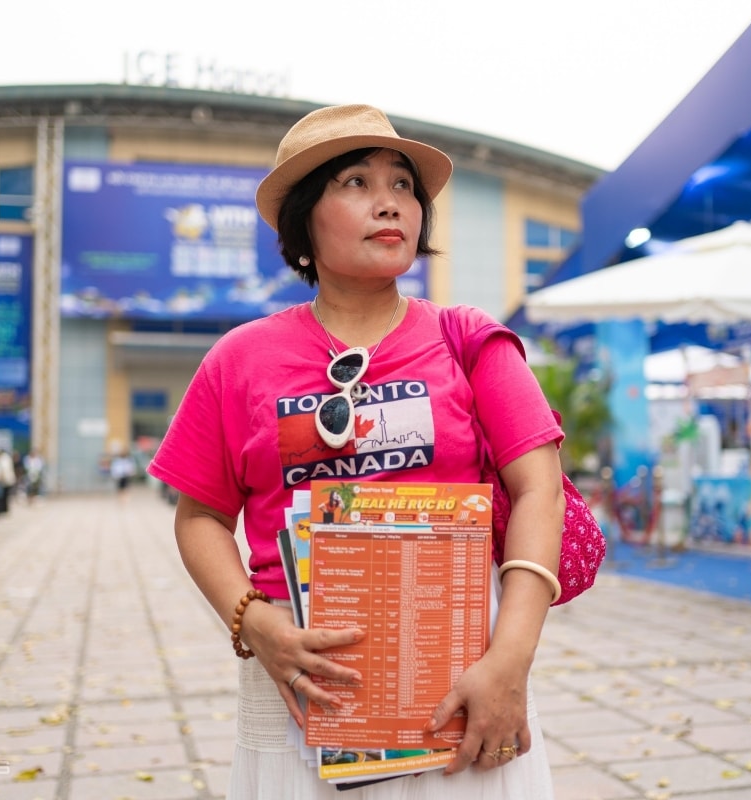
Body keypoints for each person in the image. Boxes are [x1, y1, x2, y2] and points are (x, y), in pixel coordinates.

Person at [148, 104, 563, 798]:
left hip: (466, 679)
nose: (389, 202)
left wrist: (511, 661)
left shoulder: (469, 341)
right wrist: (253, 622)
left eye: (403, 185)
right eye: (356, 183)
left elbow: (539, 491)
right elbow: (199, 518)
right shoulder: (238, 360)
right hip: (300, 685)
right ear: (304, 220)